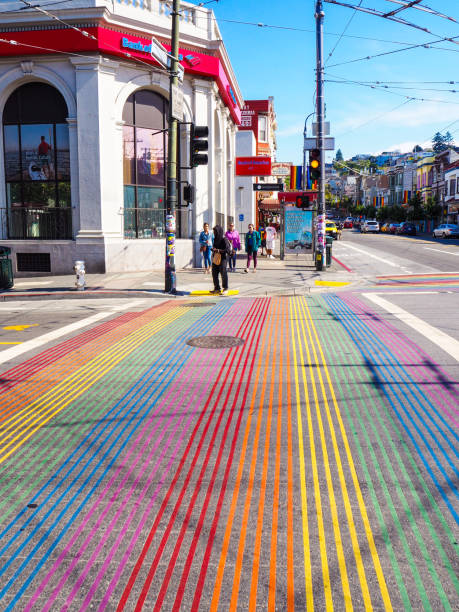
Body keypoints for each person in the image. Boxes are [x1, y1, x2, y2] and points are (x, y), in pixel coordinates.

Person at [210, 225, 232, 295]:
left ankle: (225, 288)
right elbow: (215, 247)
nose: (214, 233)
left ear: (219, 232)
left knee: (223, 273)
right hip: (216, 258)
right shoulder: (216, 239)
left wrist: (218, 250)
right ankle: (217, 288)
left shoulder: (224, 239)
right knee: (214, 273)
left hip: (223, 259)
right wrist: (213, 249)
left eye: (215, 232)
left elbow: (227, 250)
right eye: (214, 232)